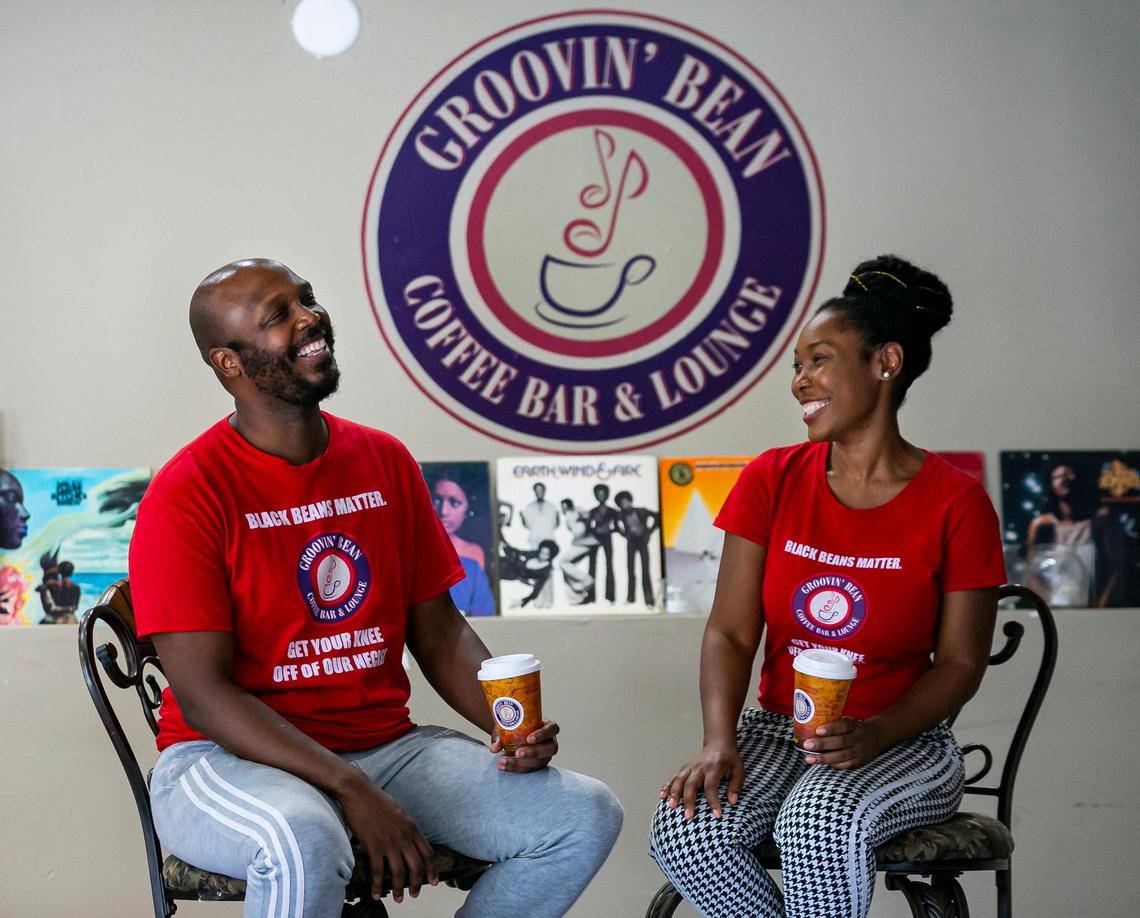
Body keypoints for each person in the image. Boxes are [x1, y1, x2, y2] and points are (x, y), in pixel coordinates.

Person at [130, 259, 622, 918]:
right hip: (222, 760)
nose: (309, 318)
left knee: (582, 815)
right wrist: (350, 790)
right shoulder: (188, 492)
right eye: (278, 315)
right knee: (302, 837)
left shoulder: (384, 461)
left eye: (305, 298)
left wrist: (510, 727)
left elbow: (440, 633)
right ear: (229, 362)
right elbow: (204, 695)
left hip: (384, 748)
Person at [649, 255, 1005, 918]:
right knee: (686, 829)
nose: (798, 382)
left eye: (817, 360)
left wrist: (875, 735)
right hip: (778, 732)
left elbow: (960, 663)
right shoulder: (772, 479)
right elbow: (729, 631)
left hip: (903, 742)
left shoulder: (956, 502)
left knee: (816, 818)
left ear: (885, 363)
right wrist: (719, 739)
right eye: (796, 366)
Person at [424, 467, 495, 616]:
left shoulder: (473, 564)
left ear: (468, 506)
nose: (443, 511)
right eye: (436, 500)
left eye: (454, 503)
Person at [613, 490, 659, 606]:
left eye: (626, 502)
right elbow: (615, 524)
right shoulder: (621, 515)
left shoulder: (641, 511)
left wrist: (649, 531)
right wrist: (624, 534)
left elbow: (657, 517)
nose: (624, 505)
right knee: (630, 570)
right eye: (622, 503)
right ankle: (631, 598)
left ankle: (649, 600)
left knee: (645, 570)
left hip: (642, 541)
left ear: (630, 501)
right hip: (631, 542)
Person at [559, 497, 596, 605]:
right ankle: (576, 598)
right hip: (578, 543)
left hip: (586, 542)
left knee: (562, 562)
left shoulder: (576, 511)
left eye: (564, 507)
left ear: (569, 506)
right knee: (566, 569)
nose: (563, 510)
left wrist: (580, 514)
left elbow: (588, 515)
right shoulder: (568, 518)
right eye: (562, 508)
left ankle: (587, 581)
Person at [586, 484, 618, 603]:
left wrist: (609, 529)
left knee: (609, 564)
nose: (601, 496)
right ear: (595, 496)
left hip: (607, 537)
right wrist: (595, 529)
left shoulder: (613, 511)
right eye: (598, 494)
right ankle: (591, 596)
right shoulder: (592, 511)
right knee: (592, 566)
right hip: (595, 538)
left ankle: (610, 596)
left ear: (607, 495)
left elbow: (617, 527)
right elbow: (588, 527)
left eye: (603, 494)